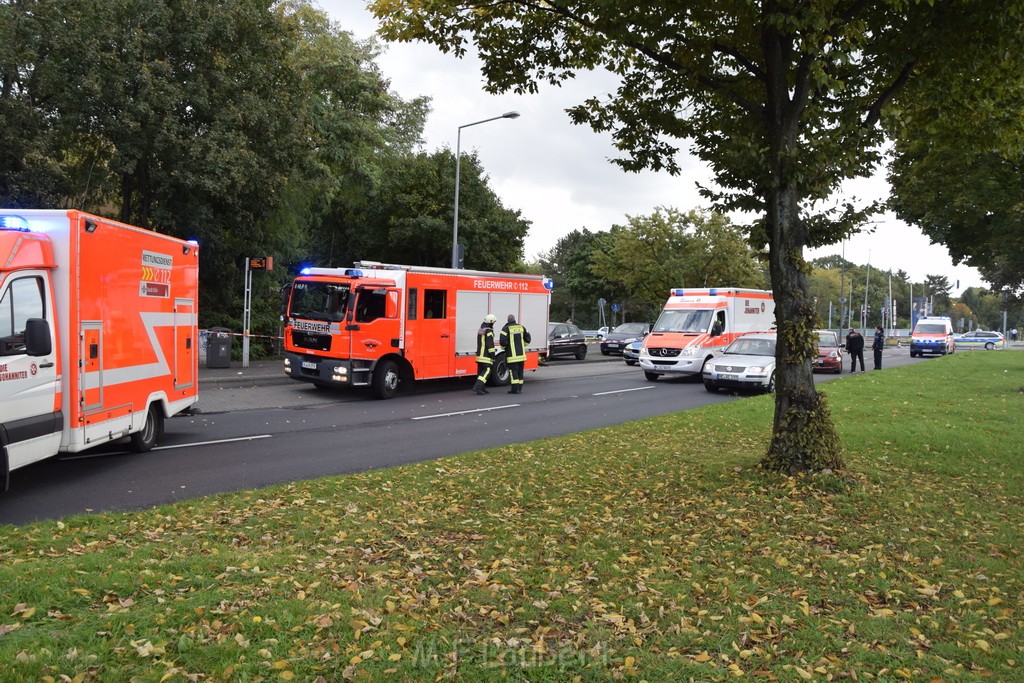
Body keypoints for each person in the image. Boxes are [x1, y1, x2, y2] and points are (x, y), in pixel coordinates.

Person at [500, 314, 532, 394]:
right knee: (520, 372)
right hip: (521, 356)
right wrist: (523, 344)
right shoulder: (521, 327)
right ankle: (519, 389)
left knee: (513, 372)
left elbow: (502, 342)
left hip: (512, 357)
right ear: (514, 320)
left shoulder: (505, 329)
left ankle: (514, 390)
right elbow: (528, 338)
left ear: (508, 320)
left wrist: (505, 348)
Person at [472, 314, 498, 395]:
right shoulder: (489, 331)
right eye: (493, 323)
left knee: (480, 373)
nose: (493, 324)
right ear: (490, 322)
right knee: (487, 370)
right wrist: (493, 356)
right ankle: (477, 387)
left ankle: (482, 389)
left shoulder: (481, 330)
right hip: (485, 356)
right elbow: (490, 345)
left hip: (479, 355)